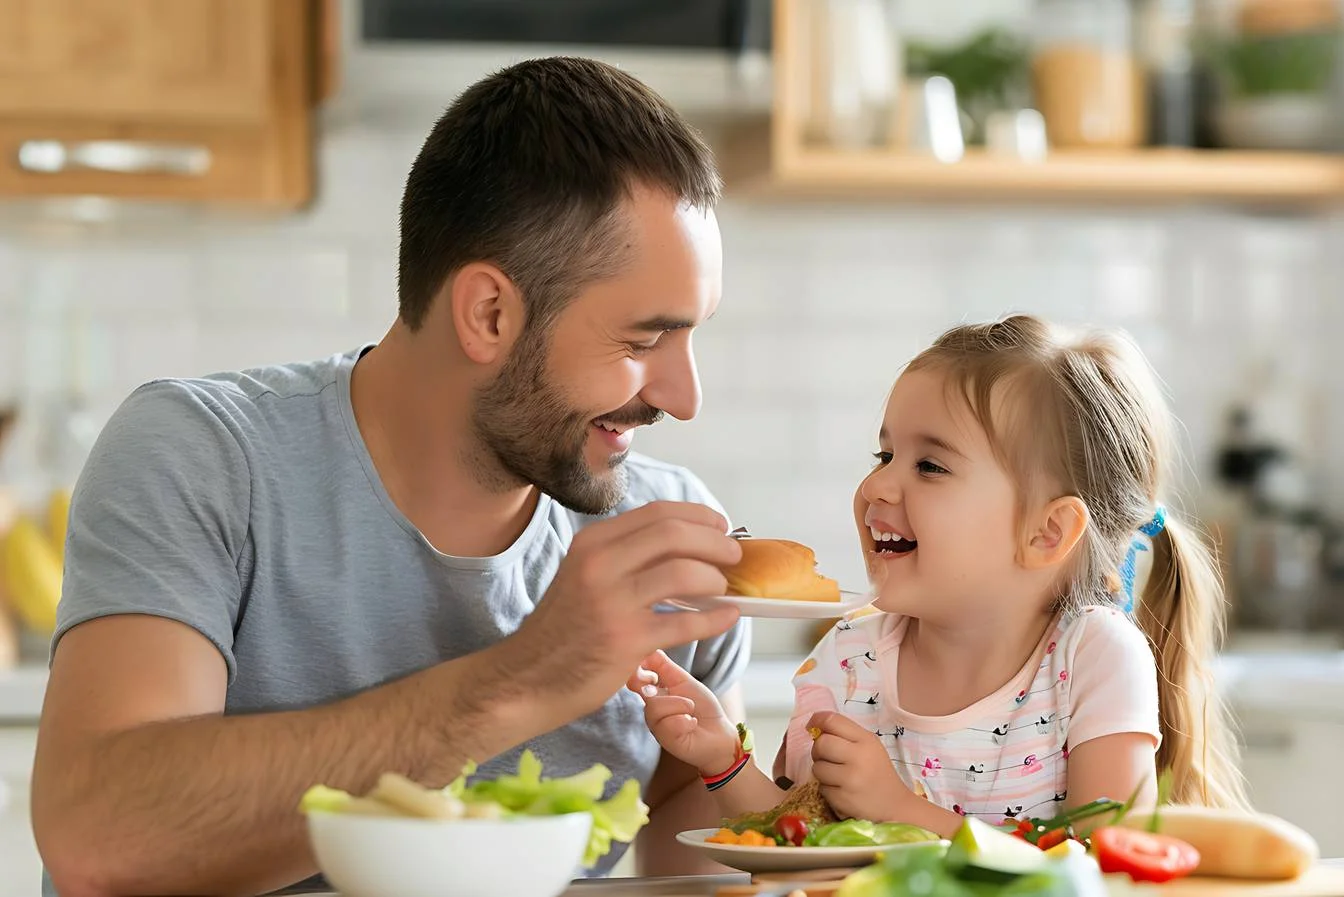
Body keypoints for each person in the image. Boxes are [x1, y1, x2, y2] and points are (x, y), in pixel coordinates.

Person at [30, 57, 752, 897]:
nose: (684, 397)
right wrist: (524, 677)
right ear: (488, 313)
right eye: (641, 342)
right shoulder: (205, 457)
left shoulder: (668, 540)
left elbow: (703, 861)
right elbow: (101, 840)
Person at [632, 314, 1248, 838]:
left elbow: (1105, 867)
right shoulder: (848, 661)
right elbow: (801, 841)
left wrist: (903, 813)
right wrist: (724, 764)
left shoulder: (1093, 659)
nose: (877, 485)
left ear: (1047, 533)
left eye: (929, 465)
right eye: (884, 455)